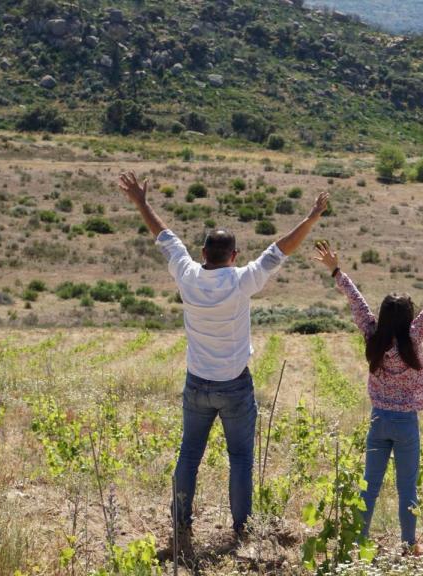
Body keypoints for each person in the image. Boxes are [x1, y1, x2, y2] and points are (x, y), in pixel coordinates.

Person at [118, 171, 329, 564]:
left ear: (202, 253)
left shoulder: (186, 274)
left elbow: (164, 238)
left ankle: (180, 528)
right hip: (234, 385)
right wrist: (312, 216)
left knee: (189, 455)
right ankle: (241, 531)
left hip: (197, 383)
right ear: (233, 256)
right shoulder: (242, 281)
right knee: (240, 459)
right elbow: (279, 250)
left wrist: (142, 202)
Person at [311, 240, 423, 552]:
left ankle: (358, 542)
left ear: (382, 316)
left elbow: (356, 302)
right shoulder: (414, 337)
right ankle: (408, 545)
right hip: (406, 424)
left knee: (369, 486)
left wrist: (336, 270)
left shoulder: (372, 335)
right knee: (407, 486)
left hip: (378, 420)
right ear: (409, 317)